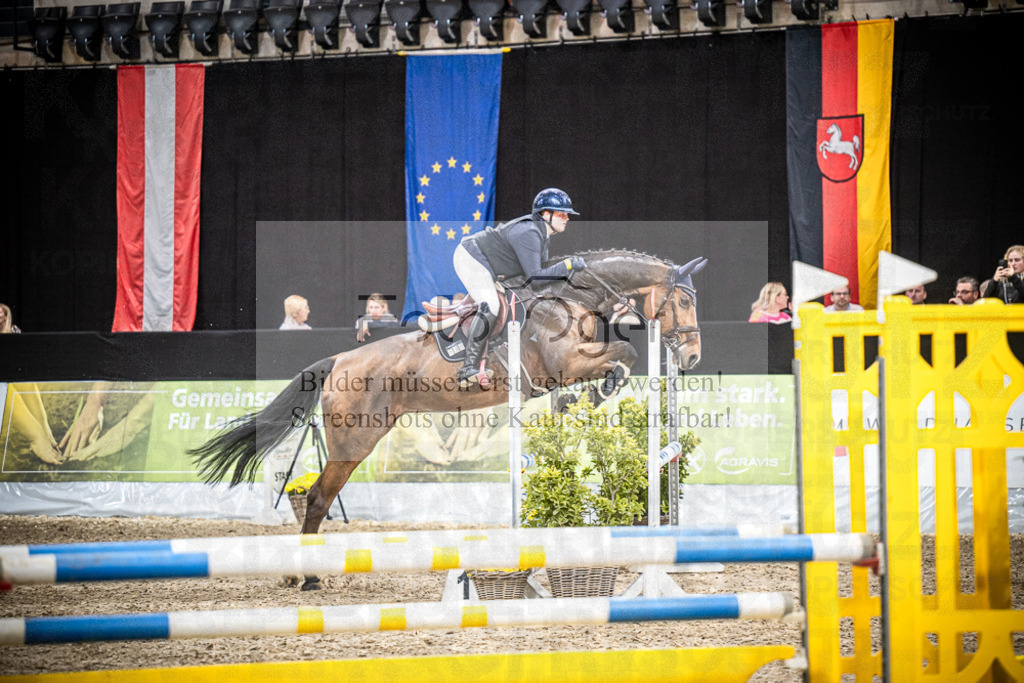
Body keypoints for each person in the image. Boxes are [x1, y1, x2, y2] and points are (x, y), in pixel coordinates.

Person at [452, 187, 584, 386]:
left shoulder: (542, 235)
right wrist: (567, 265)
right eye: (561, 214)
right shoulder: (529, 232)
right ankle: (468, 367)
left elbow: (540, 277)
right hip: (471, 257)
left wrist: (567, 268)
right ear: (545, 214)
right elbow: (536, 278)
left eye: (567, 214)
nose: (567, 218)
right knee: (491, 305)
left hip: (490, 266)